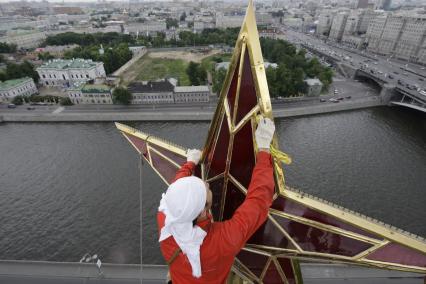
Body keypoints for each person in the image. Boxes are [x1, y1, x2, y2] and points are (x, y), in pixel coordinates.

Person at [157, 117, 276, 283]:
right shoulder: (222, 241)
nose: (205, 182)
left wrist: (190, 163)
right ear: (204, 210)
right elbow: (258, 201)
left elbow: (179, 189)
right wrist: (263, 150)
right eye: (206, 189)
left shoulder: (166, 219)